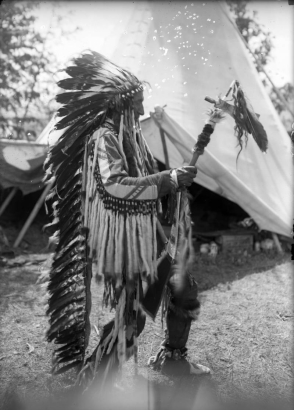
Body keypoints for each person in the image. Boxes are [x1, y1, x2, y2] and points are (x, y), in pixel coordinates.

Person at [44, 50, 211, 389]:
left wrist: (170, 177)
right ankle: (96, 381)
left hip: (140, 230)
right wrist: (168, 180)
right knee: (132, 313)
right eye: (136, 103)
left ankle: (173, 358)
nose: (140, 110)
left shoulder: (122, 136)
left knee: (182, 287)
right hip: (121, 238)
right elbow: (116, 186)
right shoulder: (103, 137)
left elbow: (135, 179)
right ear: (119, 103)